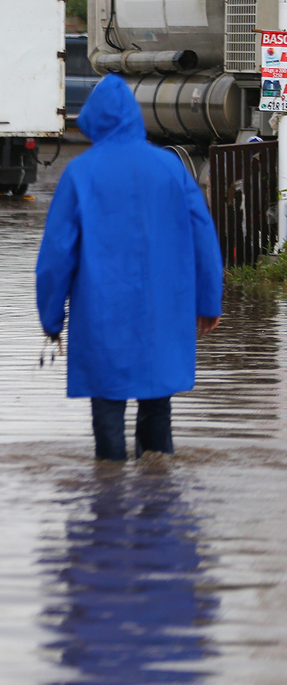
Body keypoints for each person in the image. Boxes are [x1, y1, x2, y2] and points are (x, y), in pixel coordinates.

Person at [35, 74, 223, 461]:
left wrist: (52, 319)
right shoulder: (171, 168)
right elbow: (204, 236)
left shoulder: (81, 173)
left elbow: (56, 256)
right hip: (163, 314)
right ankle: (159, 503)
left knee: (107, 412)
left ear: (92, 120)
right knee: (157, 408)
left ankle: (109, 500)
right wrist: (208, 302)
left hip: (102, 317)